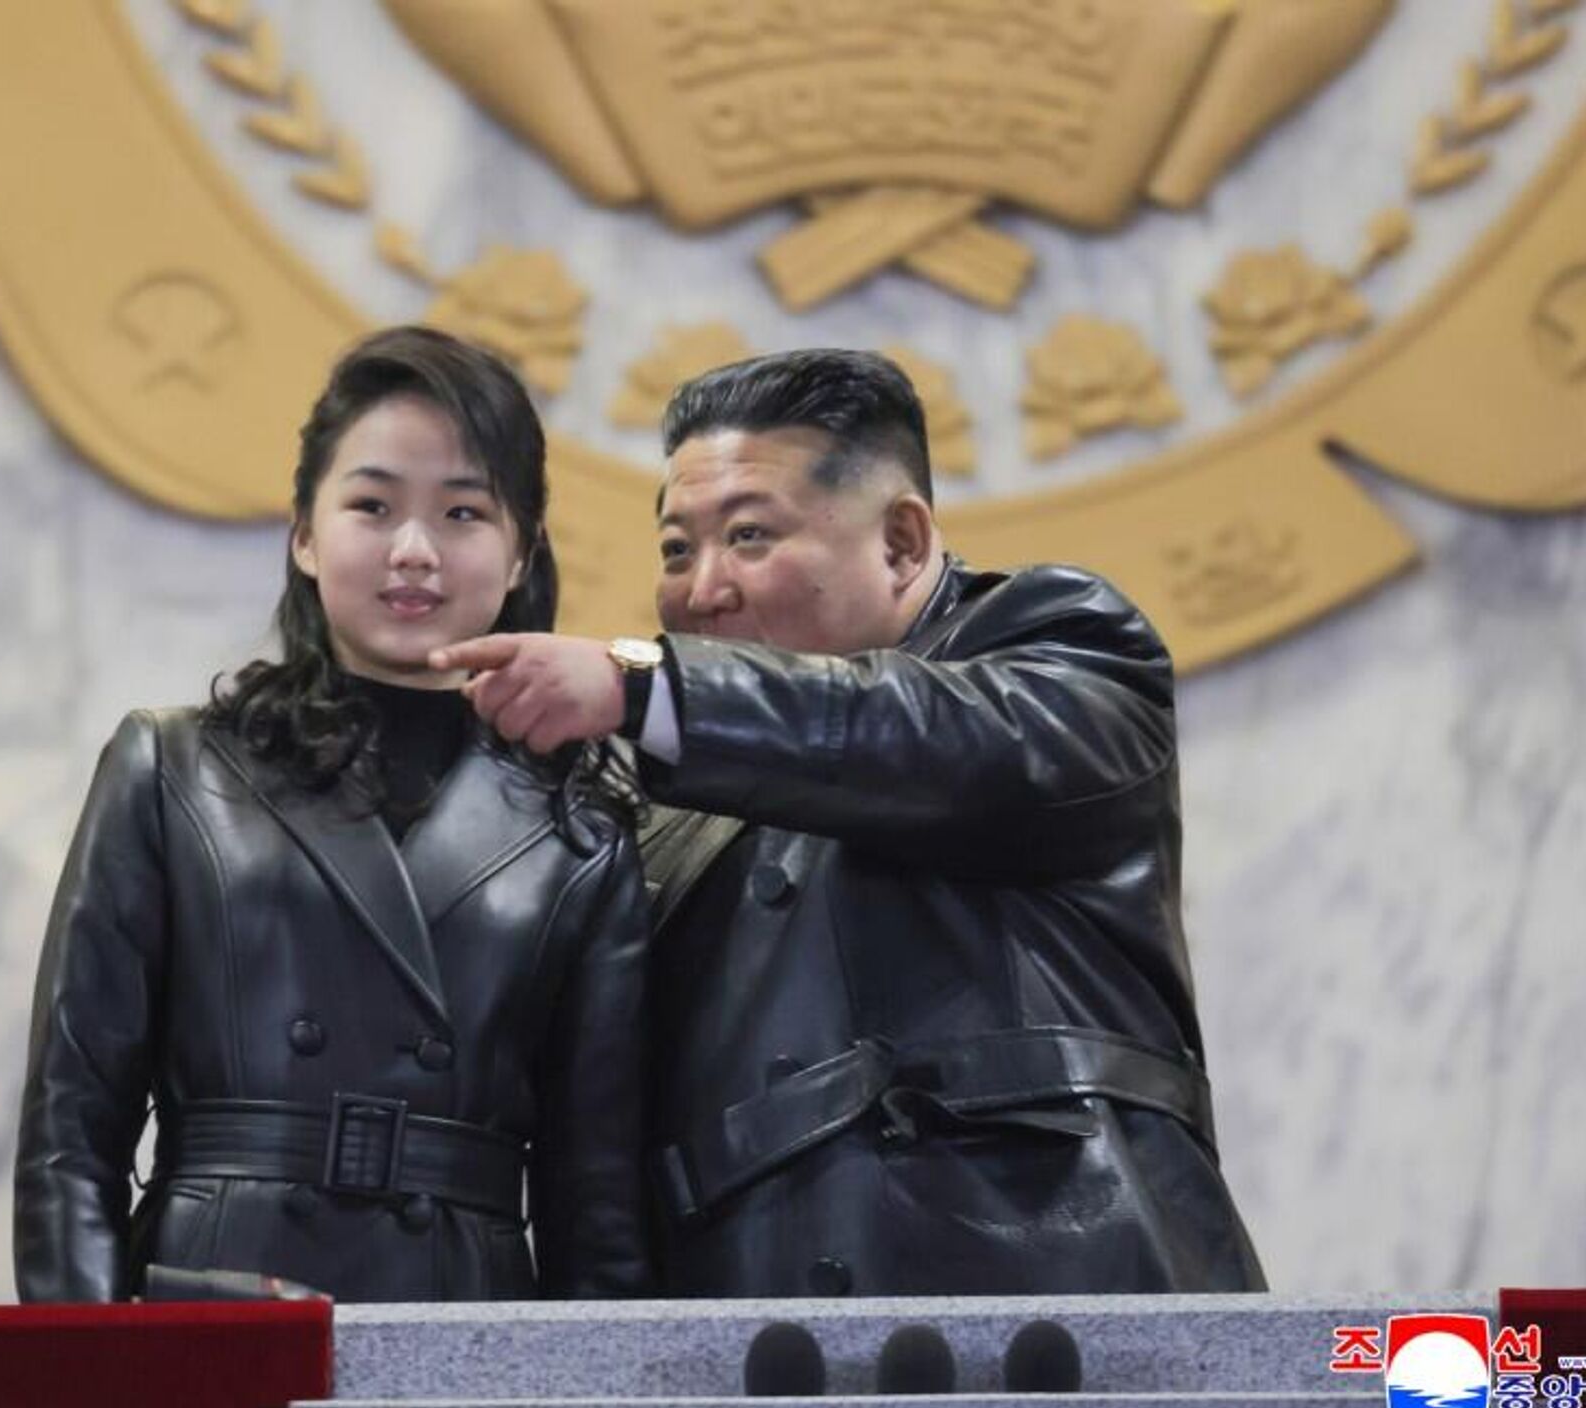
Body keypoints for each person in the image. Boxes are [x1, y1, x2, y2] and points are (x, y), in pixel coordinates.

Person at [435, 348, 1265, 1297]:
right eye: (676, 549)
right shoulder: (662, 803)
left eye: (749, 536)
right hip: (754, 1336)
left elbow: (933, 739)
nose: (702, 589)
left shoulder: (1058, 643)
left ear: (903, 543)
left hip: (1060, 1298)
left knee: (1410, 1373)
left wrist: (646, 687)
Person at [14, 327, 650, 1303]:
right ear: (305, 535)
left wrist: (586, 1384)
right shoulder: (176, 766)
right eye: (372, 505)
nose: (413, 550)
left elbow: (596, 1205)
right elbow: (71, 1131)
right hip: (217, 1297)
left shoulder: (584, 831)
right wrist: (89, 1367)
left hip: (460, 1315)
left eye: (463, 512)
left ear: (522, 550)